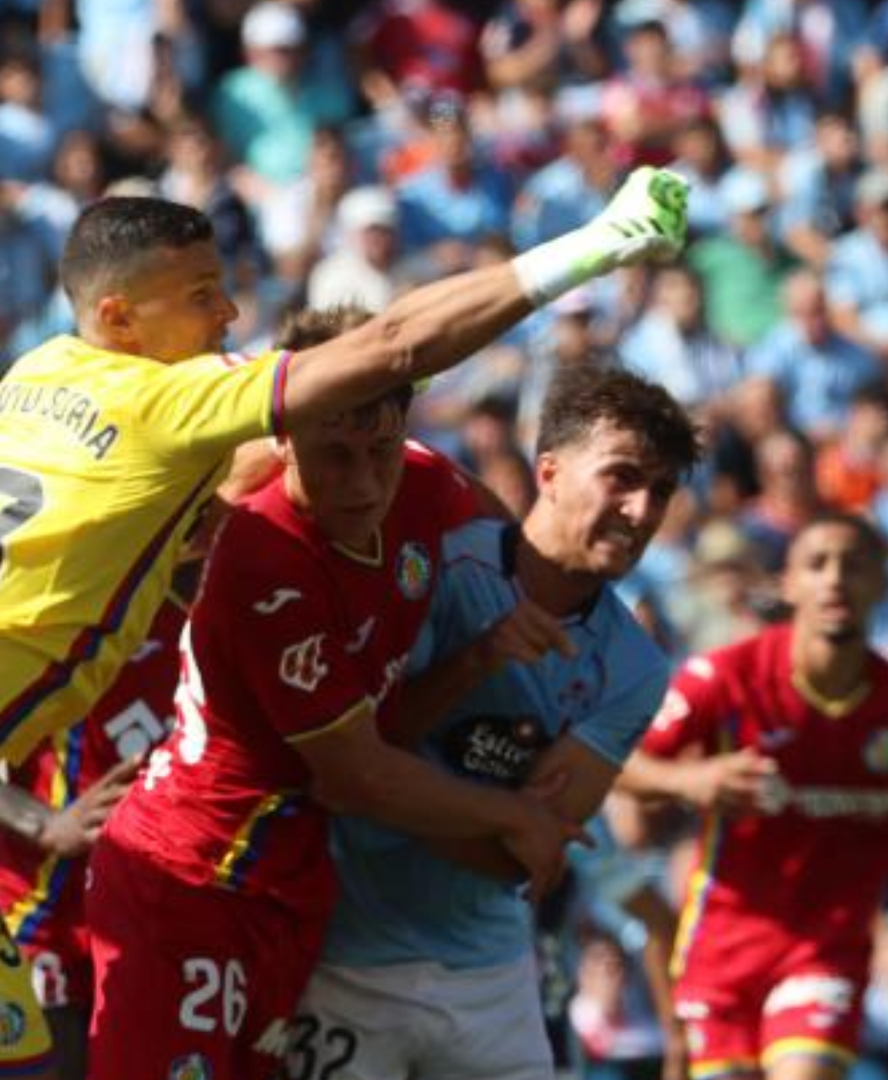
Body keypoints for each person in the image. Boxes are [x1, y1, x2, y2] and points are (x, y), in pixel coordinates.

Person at [0, 166, 687, 1077]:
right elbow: (391, 346)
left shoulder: (39, 371)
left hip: (184, 855)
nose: (228, 314)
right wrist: (603, 243)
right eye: (200, 296)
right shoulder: (214, 480)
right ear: (119, 319)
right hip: (61, 829)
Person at [293, 365, 702, 1080]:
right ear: (548, 470)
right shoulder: (434, 568)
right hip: (346, 962)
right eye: (622, 477)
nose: (641, 509)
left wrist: (389, 792)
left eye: (660, 491)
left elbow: (521, 858)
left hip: (490, 979)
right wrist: (474, 663)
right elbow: (352, 762)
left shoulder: (636, 667)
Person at [621, 513, 888, 1080]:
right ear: (787, 584)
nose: (835, 579)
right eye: (817, 564)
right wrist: (689, 781)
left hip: (826, 947)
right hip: (722, 947)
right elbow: (617, 765)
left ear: (881, 585)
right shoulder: (725, 677)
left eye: (853, 565)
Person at [0, 595, 187, 1080]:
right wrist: (44, 824)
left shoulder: (218, 614)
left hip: (152, 937)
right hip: (40, 923)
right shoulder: (54, 613)